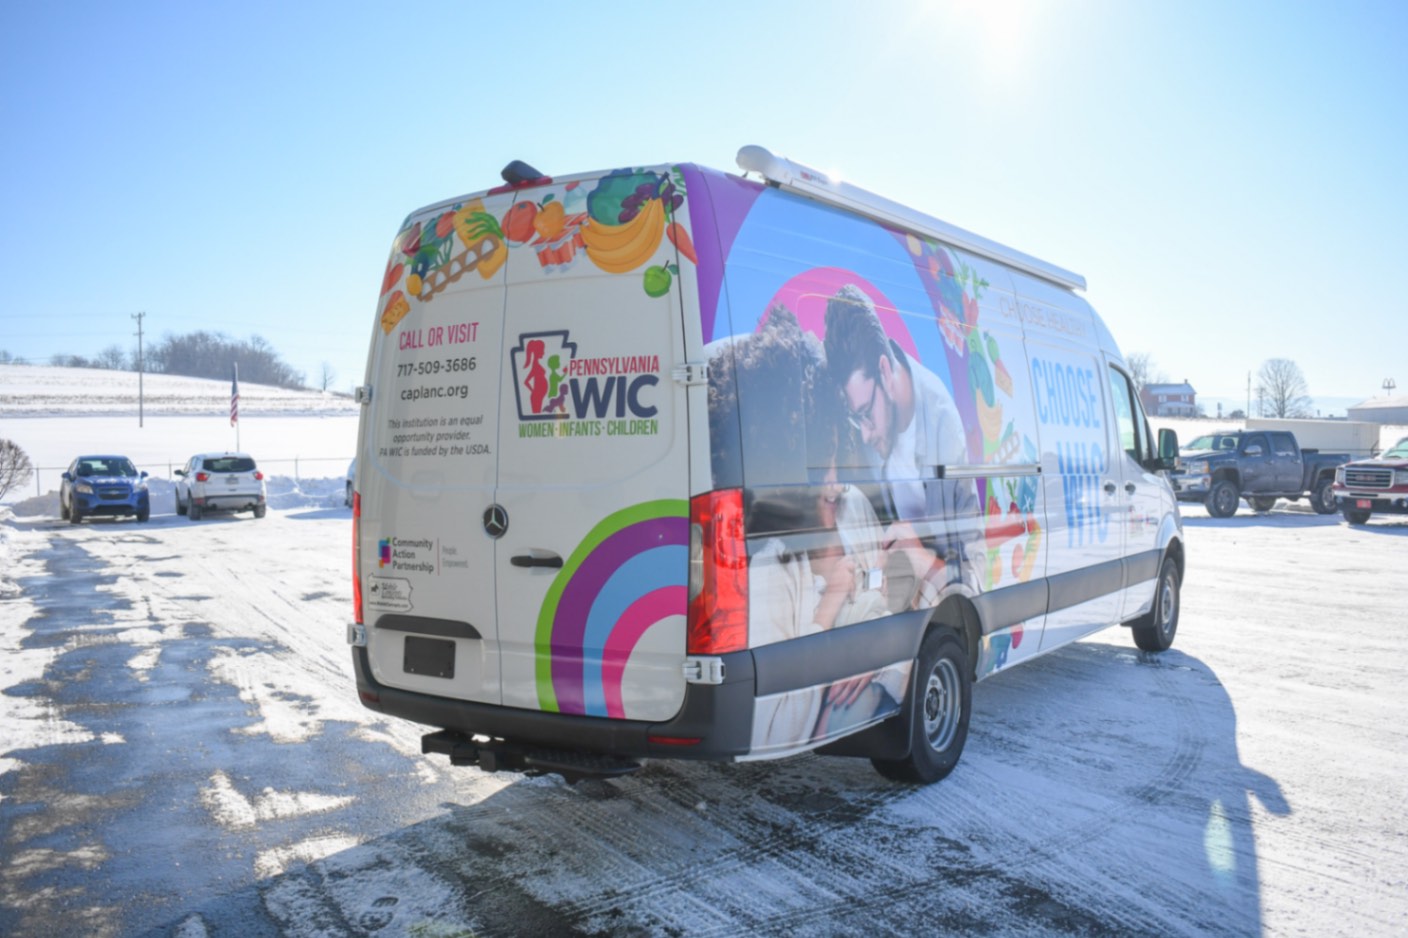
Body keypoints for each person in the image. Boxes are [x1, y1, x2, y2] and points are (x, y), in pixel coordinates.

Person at [822, 284, 981, 588]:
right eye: (858, 419)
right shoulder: (868, 411)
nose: (865, 436)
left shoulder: (943, 427)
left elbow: (976, 580)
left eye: (866, 413)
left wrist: (919, 557)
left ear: (884, 371)